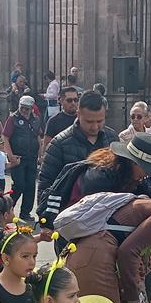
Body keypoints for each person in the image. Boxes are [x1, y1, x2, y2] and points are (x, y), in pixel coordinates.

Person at [36, 91, 118, 221]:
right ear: (78, 114)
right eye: (89, 121)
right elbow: (46, 183)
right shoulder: (59, 143)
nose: (95, 126)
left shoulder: (112, 138)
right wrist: (47, 219)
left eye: (99, 121)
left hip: (105, 218)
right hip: (69, 218)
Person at [4, 94, 41, 220]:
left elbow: (38, 137)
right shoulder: (12, 119)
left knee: (30, 185)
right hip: (18, 157)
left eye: (27, 108)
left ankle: (25, 213)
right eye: (22, 107)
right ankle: (7, 209)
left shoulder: (36, 119)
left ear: (32, 108)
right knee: (19, 184)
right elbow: (5, 137)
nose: (24, 110)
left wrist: (40, 155)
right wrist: (10, 155)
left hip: (32, 157)